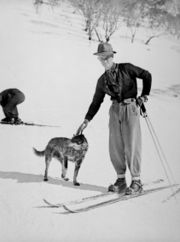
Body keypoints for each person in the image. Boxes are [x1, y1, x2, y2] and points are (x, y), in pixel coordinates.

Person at [76, 42, 152, 195]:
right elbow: (96, 101)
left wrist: (144, 95)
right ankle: (121, 180)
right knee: (115, 145)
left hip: (130, 108)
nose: (104, 60)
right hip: (115, 111)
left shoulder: (127, 68)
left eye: (106, 57)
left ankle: (136, 181)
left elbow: (146, 75)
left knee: (132, 144)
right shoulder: (101, 80)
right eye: (101, 58)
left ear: (112, 56)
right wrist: (87, 120)